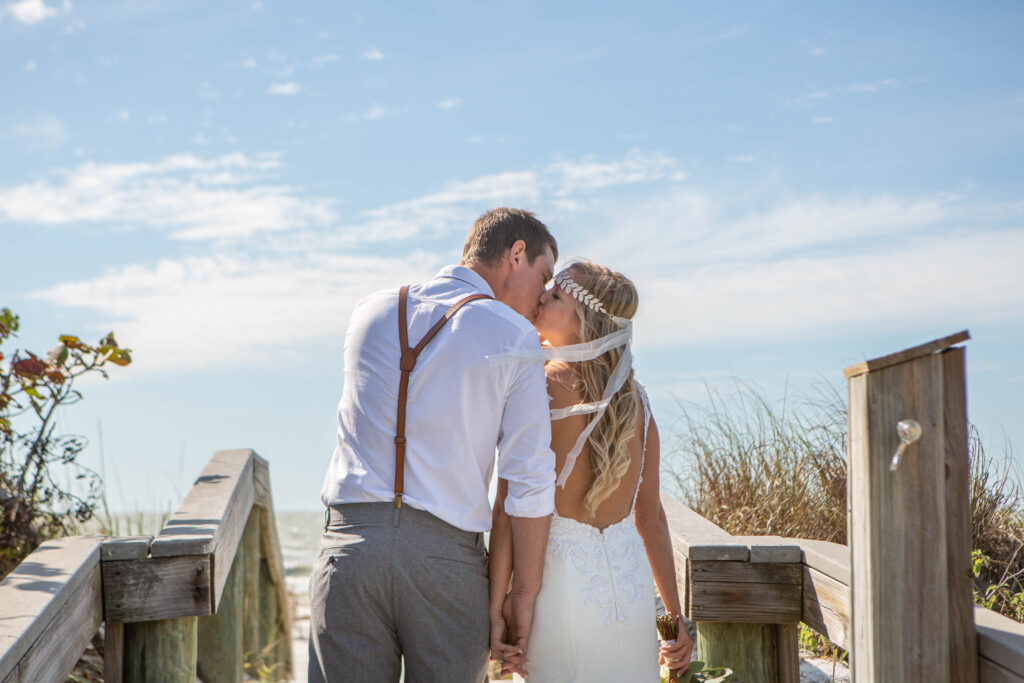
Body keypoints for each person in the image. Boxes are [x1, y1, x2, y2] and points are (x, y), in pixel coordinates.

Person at [310, 207, 558, 683]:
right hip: (445, 565)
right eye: (544, 277)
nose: (541, 299)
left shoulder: (369, 311)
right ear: (517, 254)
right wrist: (521, 594)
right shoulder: (515, 336)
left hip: (349, 552)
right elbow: (528, 481)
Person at [489, 259, 695, 682]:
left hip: (559, 596)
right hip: (633, 597)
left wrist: (497, 610)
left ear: (584, 325)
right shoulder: (637, 404)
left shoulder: (537, 391)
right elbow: (651, 521)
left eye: (556, 296)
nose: (541, 297)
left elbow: (509, 512)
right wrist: (673, 625)